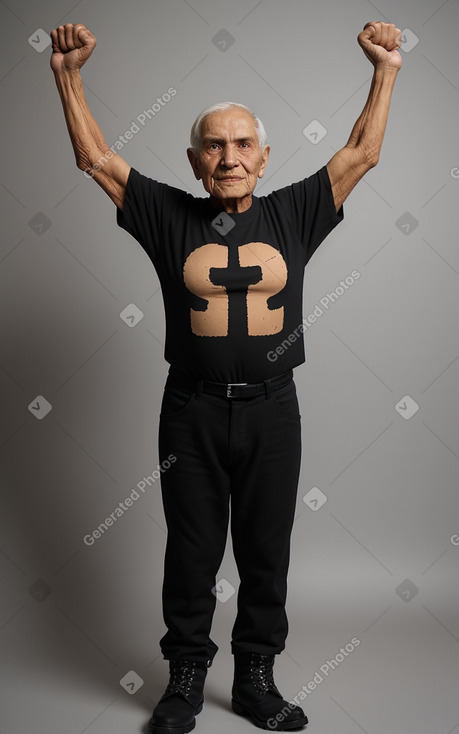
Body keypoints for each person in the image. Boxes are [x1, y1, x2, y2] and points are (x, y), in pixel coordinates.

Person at [50, 20, 402, 734]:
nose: (229, 156)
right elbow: (96, 159)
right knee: (192, 547)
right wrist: (67, 73)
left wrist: (385, 68)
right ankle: (184, 679)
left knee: (266, 549)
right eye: (214, 145)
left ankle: (255, 680)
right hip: (192, 409)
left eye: (243, 144)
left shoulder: (295, 211)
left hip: (274, 411)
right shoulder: (165, 214)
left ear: (265, 157)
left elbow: (362, 151)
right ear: (193, 160)